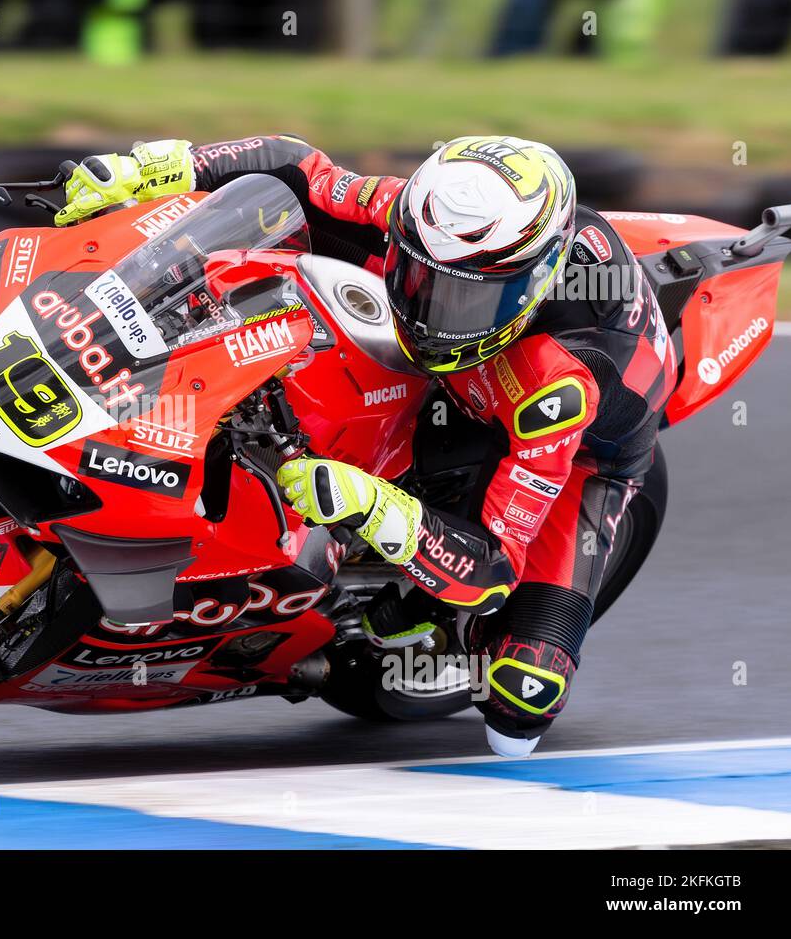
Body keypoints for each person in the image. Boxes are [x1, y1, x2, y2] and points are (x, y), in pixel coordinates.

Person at [54, 134, 676, 757]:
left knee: (521, 699)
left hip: (577, 455)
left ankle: (447, 634)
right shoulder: (431, 220)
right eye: (418, 276)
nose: (431, 310)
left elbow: (493, 563)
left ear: (528, 288)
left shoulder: (560, 387)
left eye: (462, 298)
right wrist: (156, 166)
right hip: (467, 364)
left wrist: (378, 508)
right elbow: (300, 169)